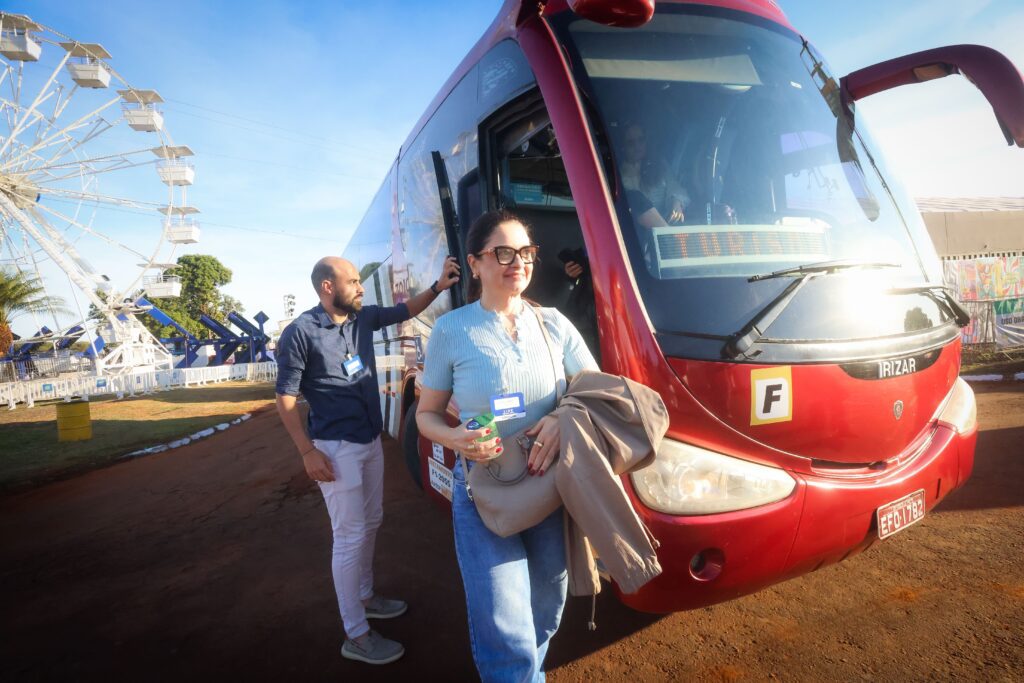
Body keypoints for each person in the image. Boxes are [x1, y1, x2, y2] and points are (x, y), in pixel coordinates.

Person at [416, 209, 598, 682]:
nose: (518, 262)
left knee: (547, 608)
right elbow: (426, 415)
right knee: (505, 624)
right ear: (475, 263)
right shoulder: (451, 329)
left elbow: (595, 390)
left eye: (526, 252)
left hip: (548, 486)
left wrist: (561, 416)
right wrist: (454, 437)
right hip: (483, 491)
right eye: (503, 252)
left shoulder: (553, 323)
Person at [275, 254, 460, 665]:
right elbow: (284, 397)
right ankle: (356, 634)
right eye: (354, 281)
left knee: (372, 520)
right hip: (334, 448)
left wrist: (438, 286)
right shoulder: (301, 332)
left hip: (369, 439)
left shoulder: (361, 318)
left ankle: (365, 596)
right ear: (327, 287)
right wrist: (307, 451)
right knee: (349, 536)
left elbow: (404, 310)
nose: (361, 287)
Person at [619, 122, 689, 225]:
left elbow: (675, 188)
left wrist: (677, 203)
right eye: (631, 143)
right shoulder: (618, 174)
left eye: (641, 140)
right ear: (623, 146)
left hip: (665, 223)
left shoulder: (660, 165)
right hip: (635, 232)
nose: (637, 146)